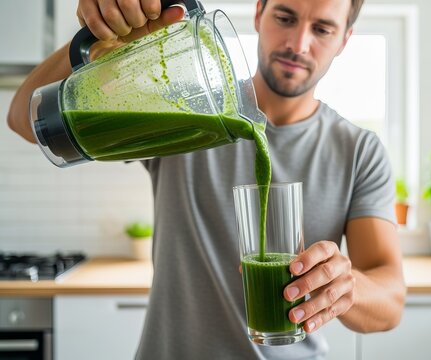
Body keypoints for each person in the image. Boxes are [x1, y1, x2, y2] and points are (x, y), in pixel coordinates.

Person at [7, 0, 406, 358]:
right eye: (284, 17)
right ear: (258, 14)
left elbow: (389, 301)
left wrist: (345, 285)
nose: (298, 43)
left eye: (322, 28)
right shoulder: (187, 109)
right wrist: (99, 36)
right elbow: (28, 119)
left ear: (345, 40)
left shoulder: (358, 150)